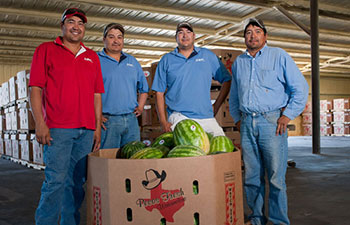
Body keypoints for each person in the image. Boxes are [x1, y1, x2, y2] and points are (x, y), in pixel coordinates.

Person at [229, 18, 309, 225]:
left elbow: (300, 88)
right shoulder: (239, 62)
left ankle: (279, 221)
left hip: (271, 123)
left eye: (257, 31)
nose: (252, 35)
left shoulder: (278, 56)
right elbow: (235, 94)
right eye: (248, 32)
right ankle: (256, 219)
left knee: (275, 178)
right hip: (247, 124)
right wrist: (238, 119)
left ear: (265, 36)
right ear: (244, 37)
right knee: (252, 177)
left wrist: (288, 114)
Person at [29, 8, 104, 225]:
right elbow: (35, 89)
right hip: (58, 129)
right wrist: (40, 123)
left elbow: (96, 94)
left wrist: (97, 127)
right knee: (55, 182)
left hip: (86, 130)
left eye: (80, 23)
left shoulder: (91, 57)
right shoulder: (45, 50)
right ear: (62, 26)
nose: (76, 26)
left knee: (76, 184)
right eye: (71, 22)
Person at [152, 21, 232, 136]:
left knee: (223, 150)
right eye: (181, 32)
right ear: (176, 37)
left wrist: (216, 106)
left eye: (188, 32)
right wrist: (163, 122)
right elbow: (158, 93)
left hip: (206, 117)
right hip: (179, 117)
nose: (185, 35)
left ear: (194, 36)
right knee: (187, 152)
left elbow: (227, 80)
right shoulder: (167, 60)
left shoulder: (207, 56)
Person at [98, 23, 149, 148]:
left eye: (119, 37)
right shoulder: (96, 60)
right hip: (108, 121)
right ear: (104, 39)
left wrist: (141, 107)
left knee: (132, 159)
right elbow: (86, 90)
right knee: (109, 160)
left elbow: (144, 88)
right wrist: (95, 116)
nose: (116, 41)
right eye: (111, 37)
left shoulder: (132, 61)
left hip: (131, 120)